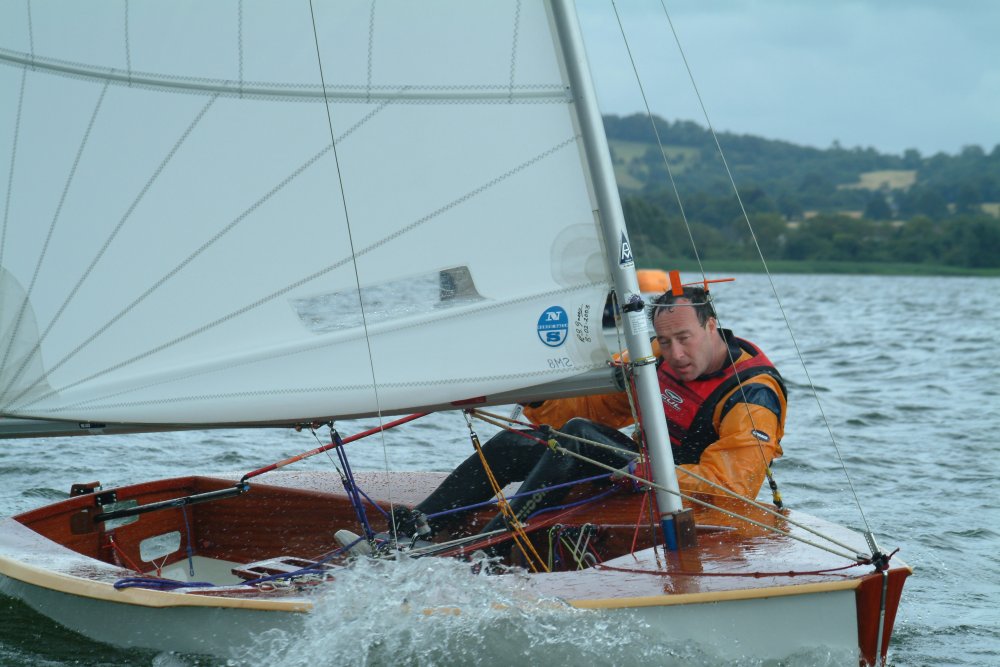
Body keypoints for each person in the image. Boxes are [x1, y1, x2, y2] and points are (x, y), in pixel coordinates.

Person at [385, 285, 787, 542]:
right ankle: (417, 526)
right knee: (517, 441)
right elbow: (590, 410)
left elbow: (733, 485)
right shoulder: (649, 359)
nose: (675, 354)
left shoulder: (752, 396)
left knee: (574, 438)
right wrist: (534, 397)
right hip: (637, 471)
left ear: (712, 326)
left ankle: (490, 548)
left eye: (684, 339)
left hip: (694, 502)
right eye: (665, 340)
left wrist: (656, 474)